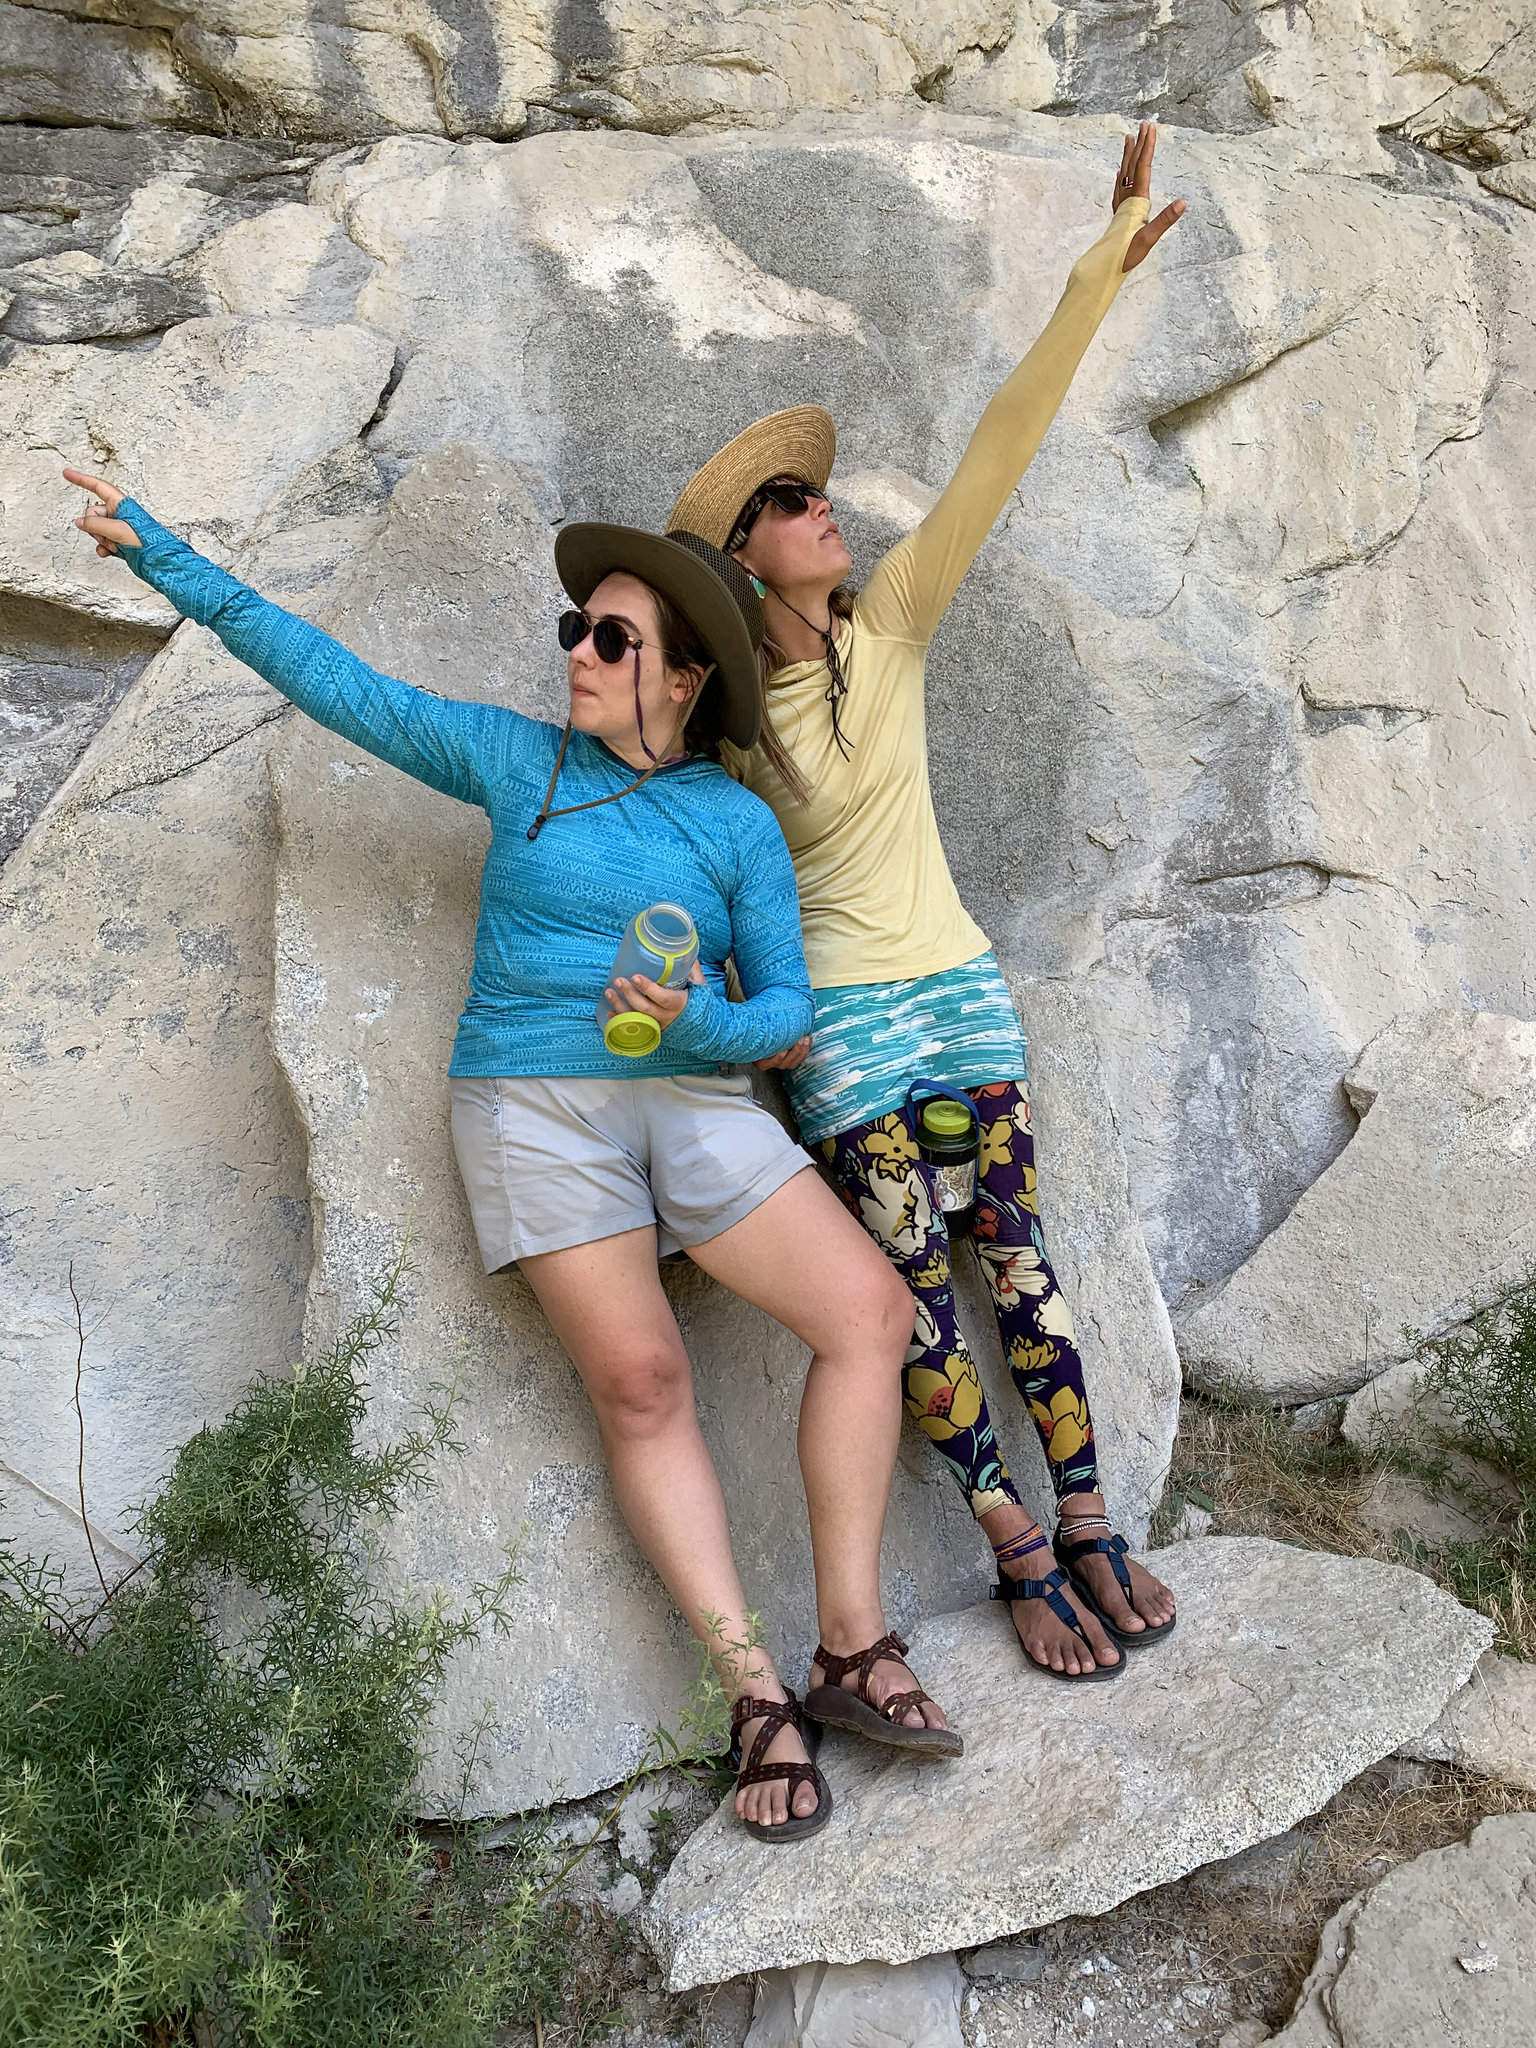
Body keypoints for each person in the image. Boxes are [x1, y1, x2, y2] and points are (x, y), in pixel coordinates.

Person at [65, 466, 963, 1838]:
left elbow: (786, 1013)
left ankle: (851, 1642)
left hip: (695, 1096)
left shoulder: (733, 822)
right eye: (575, 630)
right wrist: (166, 558)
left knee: (872, 1314)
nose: (579, 656)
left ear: (683, 683)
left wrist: (693, 1015)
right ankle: (753, 1698)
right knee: (646, 1383)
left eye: (612, 640)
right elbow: (337, 683)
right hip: (531, 1102)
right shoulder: (514, 760)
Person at [663, 125, 1185, 1681]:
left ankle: (1088, 1518)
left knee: (1017, 1266)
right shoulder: (725, 719)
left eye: (818, 489)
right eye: (789, 500)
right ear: (744, 554)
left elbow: (999, 452)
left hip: (959, 994)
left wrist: (1096, 269)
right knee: (917, 1302)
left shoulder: (891, 627)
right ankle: (1012, 1552)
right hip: (844, 1039)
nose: (825, 507)